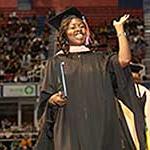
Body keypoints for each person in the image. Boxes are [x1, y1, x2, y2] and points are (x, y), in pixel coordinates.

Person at [34, 7, 146, 150]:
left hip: (101, 122)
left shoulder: (101, 58)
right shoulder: (55, 62)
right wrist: (53, 99)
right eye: (72, 27)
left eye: (81, 26)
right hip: (69, 123)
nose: (78, 29)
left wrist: (119, 30)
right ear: (64, 33)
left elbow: (124, 60)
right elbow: (46, 96)